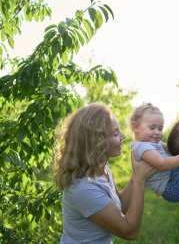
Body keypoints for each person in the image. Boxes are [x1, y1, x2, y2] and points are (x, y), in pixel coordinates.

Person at [51, 103, 156, 243]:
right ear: (96, 140)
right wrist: (139, 181)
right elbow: (129, 232)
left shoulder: (100, 167)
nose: (123, 136)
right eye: (115, 133)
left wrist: (136, 174)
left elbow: (120, 206)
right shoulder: (84, 187)